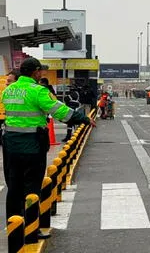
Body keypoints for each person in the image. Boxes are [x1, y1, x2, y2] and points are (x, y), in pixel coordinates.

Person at [3, 58, 95, 237]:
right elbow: (58, 110)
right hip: (32, 146)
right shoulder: (38, 91)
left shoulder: (8, 90)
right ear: (35, 72)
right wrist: (82, 118)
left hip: (10, 146)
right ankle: (30, 229)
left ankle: (13, 226)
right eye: (40, 71)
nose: (42, 74)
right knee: (32, 187)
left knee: (14, 187)